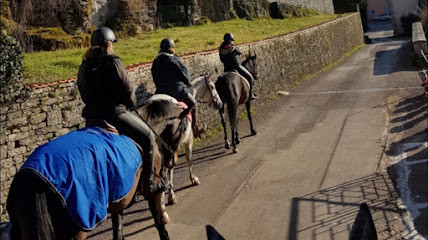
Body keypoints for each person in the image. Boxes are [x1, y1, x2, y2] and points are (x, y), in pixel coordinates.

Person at [77, 27, 161, 194]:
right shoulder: (113, 61)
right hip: (115, 115)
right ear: (109, 44)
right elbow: (128, 89)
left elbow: (83, 92)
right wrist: (131, 104)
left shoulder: (84, 65)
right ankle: (148, 184)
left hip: (92, 118)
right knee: (149, 137)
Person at [151, 38, 202, 135]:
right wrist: (185, 86)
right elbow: (185, 75)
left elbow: (154, 77)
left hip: (160, 90)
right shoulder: (174, 60)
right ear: (171, 49)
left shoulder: (156, 61)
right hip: (177, 90)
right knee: (194, 104)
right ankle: (195, 128)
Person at [219, 33, 257, 99]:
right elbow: (240, 52)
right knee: (250, 78)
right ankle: (250, 95)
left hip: (226, 69)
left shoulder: (221, 48)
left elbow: (221, 59)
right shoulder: (232, 47)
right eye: (232, 40)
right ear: (230, 40)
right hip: (236, 67)